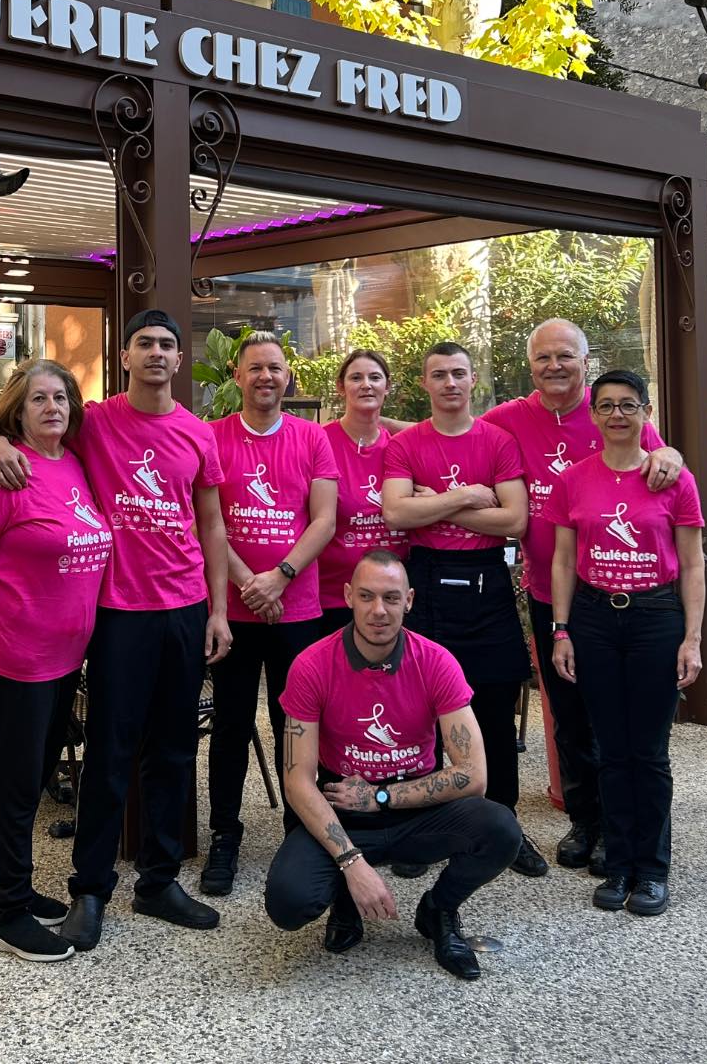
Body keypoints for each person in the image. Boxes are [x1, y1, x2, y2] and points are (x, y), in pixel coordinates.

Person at [0, 310, 230, 952]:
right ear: (124, 357)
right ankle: (89, 890)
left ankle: (159, 880)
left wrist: (219, 611)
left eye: (167, 346)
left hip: (185, 607)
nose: (156, 353)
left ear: (180, 361)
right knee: (109, 756)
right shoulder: (96, 420)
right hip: (118, 613)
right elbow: (37, 423)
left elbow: (213, 527)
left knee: (174, 751)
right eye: (144, 343)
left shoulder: (199, 434)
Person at [482, 319, 683, 875]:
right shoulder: (507, 421)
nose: (554, 366)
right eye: (543, 357)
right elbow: (447, 431)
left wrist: (676, 457)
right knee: (568, 716)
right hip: (552, 595)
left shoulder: (610, 415)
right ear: (530, 365)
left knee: (613, 719)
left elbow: (665, 461)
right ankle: (586, 819)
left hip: (614, 596)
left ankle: (625, 827)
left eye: (565, 356)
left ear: (584, 361)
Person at [265, 550, 521, 981]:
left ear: (410, 600)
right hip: (341, 807)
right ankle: (345, 900)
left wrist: (381, 797)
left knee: (500, 828)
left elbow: (474, 776)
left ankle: (438, 911)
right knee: (288, 903)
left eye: (391, 597)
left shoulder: (436, 661)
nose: (378, 610)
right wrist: (352, 864)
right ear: (348, 596)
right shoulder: (311, 664)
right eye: (366, 596)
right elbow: (296, 781)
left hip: (414, 807)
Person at [0, 359, 111, 962]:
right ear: (17, 409)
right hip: (14, 654)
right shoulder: (1, 476)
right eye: (38, 399)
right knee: (15, 783)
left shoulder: (74, 463)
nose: (52, 408)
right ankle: (5, 914)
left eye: (61, 397)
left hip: (63, 657)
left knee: (34, 776)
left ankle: (5, 887)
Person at [381, 340, 545, 878]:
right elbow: (398, 515)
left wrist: (438, 503)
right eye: (439, 375)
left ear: (473, 380)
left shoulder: (497, 440)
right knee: (420, 714)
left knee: (495, 709)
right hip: (426, 580)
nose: (450, 383)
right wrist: (470, 497)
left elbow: (515, 522)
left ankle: (505, 828)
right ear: (424, 384)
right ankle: (423, 831)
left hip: (485, 584)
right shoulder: (407, 444)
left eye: (459, 374)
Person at [545, 369, 705, 917]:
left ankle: (652, 869)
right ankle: (618, 864)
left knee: (649, 751)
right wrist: (561, 629)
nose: (617, 414)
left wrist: (692, 638)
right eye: (607, 405)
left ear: (646, 411)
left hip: (655, 617)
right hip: (592, 618)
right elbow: (563, 561)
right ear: (593, 414)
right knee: (610, 750)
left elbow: (691, 563)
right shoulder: (573, 480)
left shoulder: (672, 480)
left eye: (628, 405)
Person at [201, 331, 338, 897]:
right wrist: (246, 584)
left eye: (275, 368)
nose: (265, 377)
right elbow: (205, 521)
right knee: (230, 727)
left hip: (298, 610)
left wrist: (279, 576)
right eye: (254, 368)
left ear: (289, 377)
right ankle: (224, 835)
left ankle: (298, 830)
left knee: (295, 728)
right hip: (231, 613)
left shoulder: (312, 438)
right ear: (237, 377)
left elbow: (324, 519)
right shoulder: (212, 437)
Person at [317, 349, 409, 634]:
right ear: (341, 387)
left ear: (388, 386)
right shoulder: (319, 440)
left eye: (375, 377)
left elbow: (445, 432)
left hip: (392, 598)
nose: (366, 384)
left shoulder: (404, 444)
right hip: (332, 597)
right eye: (356, 377)